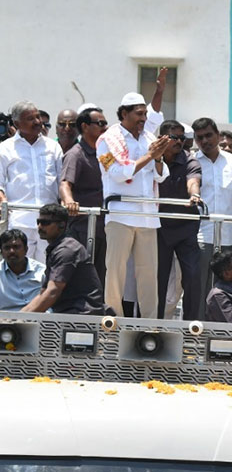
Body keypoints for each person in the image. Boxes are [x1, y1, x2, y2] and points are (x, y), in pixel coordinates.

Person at [97, 92, 170, 317]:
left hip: (148, 215)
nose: (143, 118)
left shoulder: (149, 138)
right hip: (120, 214)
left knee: (149, 274)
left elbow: (161, 176)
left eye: (145, 114)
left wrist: (157, 158)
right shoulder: (106, 141)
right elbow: (117, 174)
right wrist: (150, 156)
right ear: (124, 114)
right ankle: (113, 320)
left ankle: (149, 325)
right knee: (116, 273)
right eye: (139, 114)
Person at [152, 119, 203, 320]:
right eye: (175, 137)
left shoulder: (190, 159)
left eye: (182, 138)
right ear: (162, 138)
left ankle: (191, 325)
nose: (180, 142)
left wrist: (194, 195)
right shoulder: (152, 157)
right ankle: (153, 325)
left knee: (192, 277)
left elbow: (193, 181)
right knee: (159, 279)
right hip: (159, 227)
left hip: (185, 227)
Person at [0, 101, 63, 263]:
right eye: (30, 118)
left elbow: (61, 180)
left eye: (37, 117)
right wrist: (3, 203)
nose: (37, 122)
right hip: (20, 219)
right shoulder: (5, 149)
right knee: (20, 269)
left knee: (47, 268)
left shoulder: (53, 147)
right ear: (16, 124)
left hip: (49, 221)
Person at [20, 204, 105, 315]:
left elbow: (53, 291)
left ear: (61, 225)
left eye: (45, 223)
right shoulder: (56, 248)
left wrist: (22, 320)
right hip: (67, 312)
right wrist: (18, 317)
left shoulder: (67, 250)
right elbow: (43, 293)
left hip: (81, 314)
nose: (40, 226)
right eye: (38, 222)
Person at [192, 118, 232, 271]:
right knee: (200, 286)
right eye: (200, 137)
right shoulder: (191, 163)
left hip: (228, 238)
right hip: (200, 236)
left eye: (209, 135)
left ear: (218, 135)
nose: (205, 140)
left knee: (227, 286)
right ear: (195, 140)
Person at [59, 107, 108, 282]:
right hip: (83, 228)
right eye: (100, 123)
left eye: (105, 123)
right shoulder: (76, 154)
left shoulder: (105, 153)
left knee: (102, 275)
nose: (105, 127)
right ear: (85, 127)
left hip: (104, 225)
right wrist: (69, 201)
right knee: (83, 276)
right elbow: (65, 183)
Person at [0, 230, 45, 311]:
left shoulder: (42, 271)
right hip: (6, 321)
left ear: (26, 249)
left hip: (39, 320)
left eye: (16, 247)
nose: (12, 251)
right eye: (7, 248)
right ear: (1, 252)